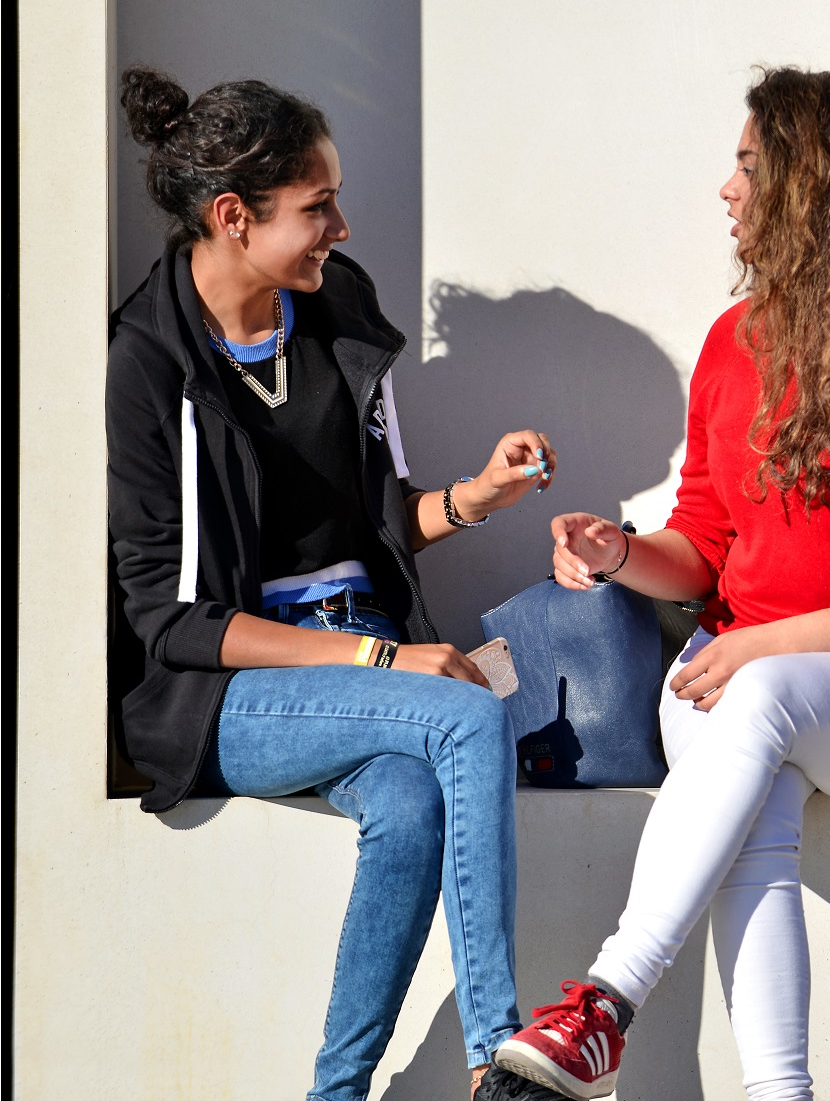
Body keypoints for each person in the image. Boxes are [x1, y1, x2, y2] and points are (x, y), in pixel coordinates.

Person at [493, 68, 830, 1101]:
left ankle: (607, 995)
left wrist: (777, 644)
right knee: (751, 808)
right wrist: (616, 552)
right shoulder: (734, 345)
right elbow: (702, 547)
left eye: (745, 165)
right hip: (733, 683)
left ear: (811, 185)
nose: (725, 191)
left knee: (758, 694)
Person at [108, 67, 552, 1101]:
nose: (341, 228)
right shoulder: (150, 361)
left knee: (407, 803)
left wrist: (478, 495)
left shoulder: (334, 309)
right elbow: (166, 615)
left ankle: (335, 1091)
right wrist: (382, 657)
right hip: (233, 692)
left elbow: (377, 526)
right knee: (463, 710)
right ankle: (500, 1052)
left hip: (361, 647)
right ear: (232, 216)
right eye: (317, 207)